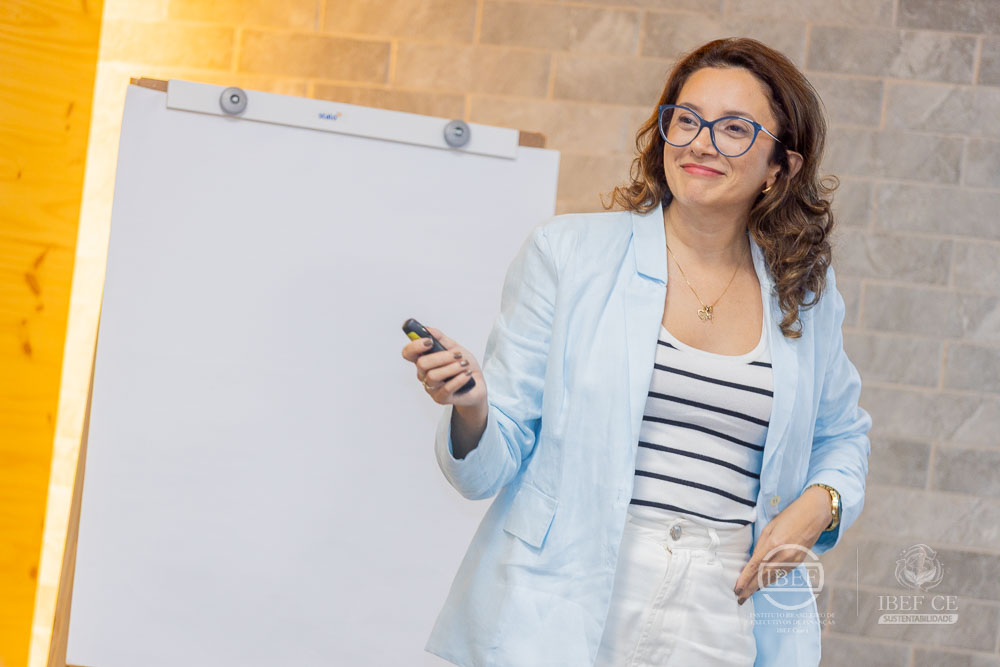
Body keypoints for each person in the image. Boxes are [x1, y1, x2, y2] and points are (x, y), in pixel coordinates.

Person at [402, 38, 871, 667]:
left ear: (779, 168)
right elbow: (486, 467)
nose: (702, 143)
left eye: (735, 128)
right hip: (565, 596)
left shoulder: (804, 293)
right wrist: (474, 408)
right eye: (688, 119)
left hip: (721, 608)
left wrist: (824, 503)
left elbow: (842, 434)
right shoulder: (567, 253)